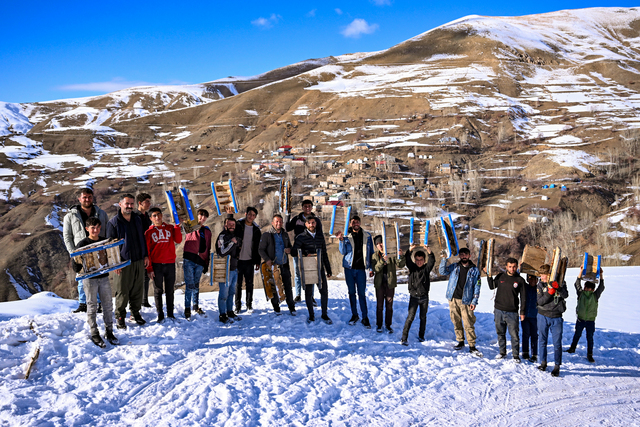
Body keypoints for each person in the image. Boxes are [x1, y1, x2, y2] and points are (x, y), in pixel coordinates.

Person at [70, 217, 118, 347]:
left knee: (108, 305)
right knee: (92, 306)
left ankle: (109, 331)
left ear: (100, 228)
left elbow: (111, 255)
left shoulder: (104, 241)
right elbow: (75, 262)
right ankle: (94, 333)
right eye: (92, 228)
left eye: (97, 227)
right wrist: (78, 265)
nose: (95, 230)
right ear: (87, 229)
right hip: (90, 280)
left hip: (104, 277)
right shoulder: (82, 244)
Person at [106, 193, 149, 329]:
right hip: (122, 262)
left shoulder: (137, 219)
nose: (129, 206)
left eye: (131, 204)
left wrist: (145, 255)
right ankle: (120, 316)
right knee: (122, 291)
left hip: (138, 259)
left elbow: (143, 239)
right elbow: (110, 246)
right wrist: (115, 264)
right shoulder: (113, 223)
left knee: (138, 289)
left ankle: (135, 313)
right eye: (127, 204)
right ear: (120, 204)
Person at [63, 187, 108, 313]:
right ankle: (83, 303)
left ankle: (98, 303)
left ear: (92, 198)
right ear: (79, 199)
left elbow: (106, 231)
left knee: (99, 277)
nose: (87, 199)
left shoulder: (101, 213)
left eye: (89, 197)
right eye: (84, 197)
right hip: (80, 252)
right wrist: (73, 253)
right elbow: (67, 236)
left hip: (98, 250)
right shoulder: (70, 216)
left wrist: (105, 249)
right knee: (82, 278)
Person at [439, 248, 482, 355]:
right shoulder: (455, 266)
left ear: (469, 256)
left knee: (468, 323)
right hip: (453, 299)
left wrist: (474, 301)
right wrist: (444, 259)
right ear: (459, 256)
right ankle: (460, 341)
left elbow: (477, 286)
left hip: (466, 301)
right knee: (456, 321)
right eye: (461, 254)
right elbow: (442, 271)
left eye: (465, 254)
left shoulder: (474, 270)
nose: (463, 256)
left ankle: (472, 345)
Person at [291, 214, 333, 324]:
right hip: (308, 269)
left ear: (316, 223)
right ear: (306, 224)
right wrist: (305, 253)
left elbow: (324, 253)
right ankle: (311, 315)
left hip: (320, 268)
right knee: (309, 293)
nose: (311, 225)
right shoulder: (300, 237)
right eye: (309, 223)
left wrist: (328, 269)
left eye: (313, 222)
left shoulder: (320, 236)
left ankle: (324, 314)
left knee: (324, 291)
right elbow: (294, 252)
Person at [145, 207, 182, 323]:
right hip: (157, 265)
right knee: (158, 290)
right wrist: (149, 268)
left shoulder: (170, 228)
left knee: (170, 290)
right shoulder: (148, 232)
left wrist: (177, 227)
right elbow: (147, 252)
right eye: (154, 215)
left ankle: (170, 313)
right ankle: (160, 314)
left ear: (162, 215)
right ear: (151, 218)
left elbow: (178, 240)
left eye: (159, 214)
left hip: (170, 263)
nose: (157, 217)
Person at [337, 215, 374, 328]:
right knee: (351, 293)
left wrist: (371, 268)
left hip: (361, 269)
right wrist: (341, 240)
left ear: (360, 223)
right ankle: (354, 315)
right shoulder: (346, 236)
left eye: (357, 222)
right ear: (350, 224)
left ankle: (365, 317)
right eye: (353, 222)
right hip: (349, 269)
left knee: (362, 294)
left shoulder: (367, 236)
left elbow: (371, 253)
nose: (355, 224)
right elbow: (343, 252)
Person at [487, 258, 526, 362]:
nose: (512, 269)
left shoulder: (520, 280)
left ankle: (516, 355)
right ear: (506, 267)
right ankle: (502, 352)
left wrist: (522, 312)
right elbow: (492, 286)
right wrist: (488, 276)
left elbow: (523, 297)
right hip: (499, 310)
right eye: (510, 267)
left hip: (512, 312)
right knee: (500, 333)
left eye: (514, 267)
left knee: (514, 335)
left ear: (517, 267)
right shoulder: (501, 276)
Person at [286, 200, 323, 303]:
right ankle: (298, 295)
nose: (307, 208)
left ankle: (311, 295)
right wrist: (287, 215)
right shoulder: (297, 219)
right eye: (305, 206)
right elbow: (287, 228)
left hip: (311, 251)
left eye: (309, 206)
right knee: (297, 273)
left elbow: (319, 235)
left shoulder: (315, 220)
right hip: (298, 250)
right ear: (302, 207)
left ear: (312, 207)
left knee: (311, 273)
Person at [258, 214, 296, 315]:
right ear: (272, 223)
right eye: (277, 221)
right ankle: (276, 308)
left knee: (288, 286)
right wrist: (267, 259)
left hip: (284, 264)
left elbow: (290, 247)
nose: (279, 223)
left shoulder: (285, 235)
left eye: (280, 221)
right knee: (274, 287)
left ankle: (291, 307)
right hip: (273, 265)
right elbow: (261, 250)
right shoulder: (267, 235)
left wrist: (289, 250)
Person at [536, 264, 569, 377]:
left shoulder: (561, 282)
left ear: (549, 275)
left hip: (556, 316)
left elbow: (565, 295)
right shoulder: (540, 285)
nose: (541, 277)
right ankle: (543, 362)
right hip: (542, 315)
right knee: (542, 340)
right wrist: (549, 293)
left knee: (557, 343)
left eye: (544, 275)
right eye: (541, 275)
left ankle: (557, 366)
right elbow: (540, 301)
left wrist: (558, 288)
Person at [401, 244, 436, 345]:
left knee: (423, 317)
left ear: (424, 260)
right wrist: (410, 250)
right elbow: (407, 259)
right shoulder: (412, 268)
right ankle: (404, 337)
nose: (419, 262)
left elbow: (432, 261)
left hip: (424, 297)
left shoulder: (426, 269)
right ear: (415, 260)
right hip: (414, 297)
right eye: (417, 259)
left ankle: (421, 336)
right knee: (410, 317)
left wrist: (429, 251)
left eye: (421, 260)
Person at [567, 271, 605, 363]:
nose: (586, 289)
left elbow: (601, 287)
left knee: (589, 337)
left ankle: (589, 354)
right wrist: (581, 271)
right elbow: (577, 284)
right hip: (582, 319)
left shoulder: (594, 296)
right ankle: (573, 349)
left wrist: (601, 274)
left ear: (592, 289)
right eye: (585, 287)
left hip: (590, 321)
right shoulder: (582, 294)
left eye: (587, 288)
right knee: (579, 335)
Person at [372, 235, 406, 333]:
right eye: (377, 244)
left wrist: (400, 256)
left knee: (389, 305)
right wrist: (382, 261)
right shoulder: (374, 256)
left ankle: (388, 325)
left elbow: (400, 264)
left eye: (381, 243)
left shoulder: (391, 253)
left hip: (390, 283)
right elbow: (375, 269)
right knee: (379, 306)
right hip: (379, 284)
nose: (380, 245)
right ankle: (379, 325)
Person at [182, 209, 212, 319]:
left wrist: (206, 263)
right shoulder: (190, 226)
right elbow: (184, 227)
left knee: (196, 284)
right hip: (189, 258)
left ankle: (195, 306)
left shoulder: (207, 231)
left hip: (200, 261)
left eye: (205, 216)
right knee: (189, 285)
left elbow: (208, 247)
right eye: (201, 215)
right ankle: (187, 308)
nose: (202, 218)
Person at [234, 207, 262, 312]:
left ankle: (249, 305)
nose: (251, 216)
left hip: (250, 260)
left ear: (255, 217)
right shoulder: (238, 225)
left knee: (249, 284)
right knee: (238, 285)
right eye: (250, 214)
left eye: (253, 215)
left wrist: (258, 261)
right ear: (246, 214)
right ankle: (237, 306)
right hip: (238, 260)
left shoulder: (256, 230)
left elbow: (258, 247)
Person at [216, 214, 242, 323]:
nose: (231, 226)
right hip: (224, 270)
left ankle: (230, 311)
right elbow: (222, 252)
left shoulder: (235, 235)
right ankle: (222, 314)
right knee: (223, 294)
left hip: (234, 269)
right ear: (225, 225)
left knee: (231, 292)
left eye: (233, 224)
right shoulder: (222, 236)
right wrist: (232, 243)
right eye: (229, 224)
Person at [136, 193, 153, 308]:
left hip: (147, 248)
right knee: (137, 277)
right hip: (138, 249)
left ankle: (144, 300)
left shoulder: (147, 216)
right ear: (140, 203)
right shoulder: (134, 217)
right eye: (147, 201)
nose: (149, 204)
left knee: (146, 276)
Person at [522, 274, 539, 362]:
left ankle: (534, 354)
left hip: (535, 316)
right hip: (525, 315)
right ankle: (525, 352)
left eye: (534, 279)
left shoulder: (539, 289)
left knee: (534, 335)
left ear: (537, 280)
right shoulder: (525, 287)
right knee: (526, 334)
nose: (532, 281)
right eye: (530, 279)